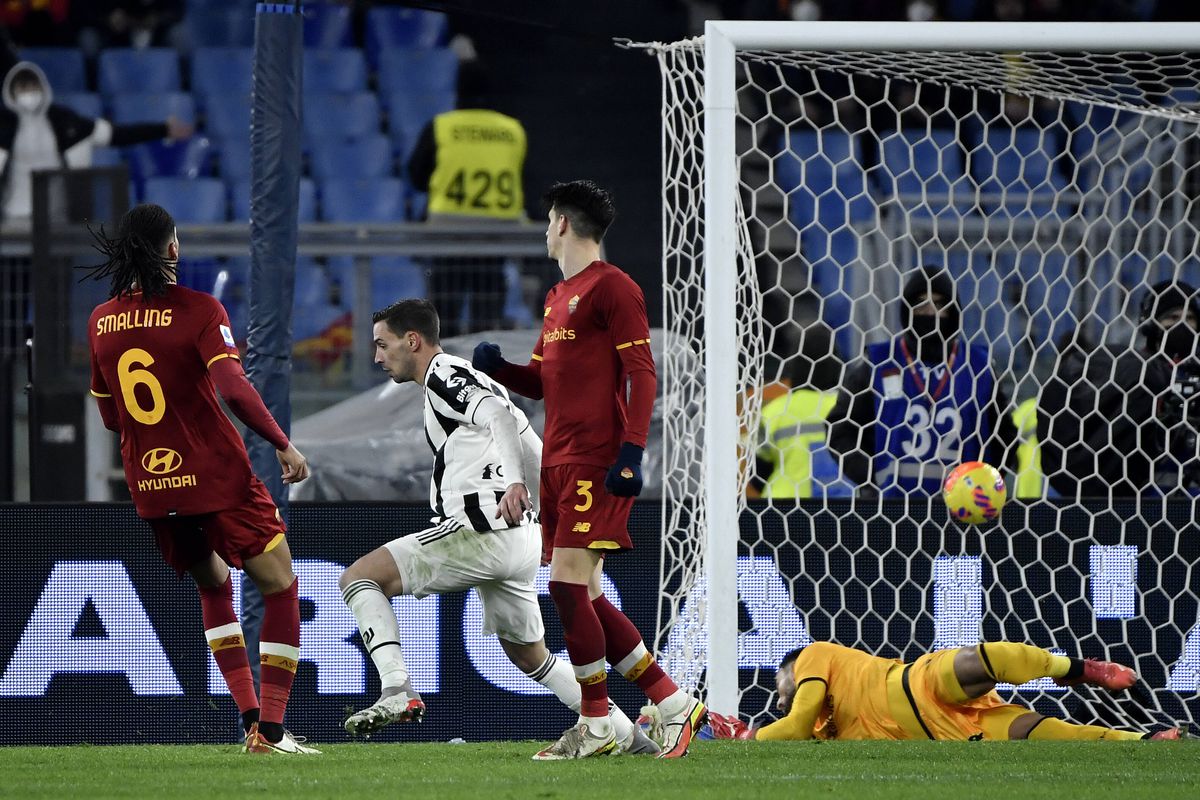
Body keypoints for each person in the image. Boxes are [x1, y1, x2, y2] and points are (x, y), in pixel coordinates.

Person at [338, 299, 658, 755]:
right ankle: (629, 736)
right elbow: (527, 437)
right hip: (519, 534)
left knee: (359, 577)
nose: (377, 357)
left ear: (412, 341)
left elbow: (501, 418)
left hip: (481, 528)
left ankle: (396, 689)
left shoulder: (445, 374)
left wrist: (513, 484)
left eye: (382, 344)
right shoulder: (467, 378)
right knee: (531, 656)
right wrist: (552, 515)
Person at [472, 180, 706, 759]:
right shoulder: (555, 297)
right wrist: (499, 368)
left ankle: (597, 722)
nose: (544, 230)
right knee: (588, 596)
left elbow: (642, 372)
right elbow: (541, 380)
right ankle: (674, 705)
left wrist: (632, 452)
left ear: (561, 225)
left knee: (565, 586)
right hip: (556, 458)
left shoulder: (614, 288)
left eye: (547, 221)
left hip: (596, 458)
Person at [85, 203, 317, 755]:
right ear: (172, 249)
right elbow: (235, 389)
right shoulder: (199, 310)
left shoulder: (100, 321)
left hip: (151, 483)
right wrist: (283, 444)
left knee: (213, 585)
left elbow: (110, 413)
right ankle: (274, 730)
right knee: (281, 585)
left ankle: (250, 722)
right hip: (215, 474)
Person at [706, 640, 1184, 741]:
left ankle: (1079, 668)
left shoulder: (813, 656)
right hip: (945, 734)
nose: (781, 697)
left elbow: (792, 723)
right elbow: (799, 731)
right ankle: (1145, 740)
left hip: (912, 683)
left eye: (780, 687)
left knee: (977, 661)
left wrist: (750, 739)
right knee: (1041, 735)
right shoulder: (822, 735)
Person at [827, 265, 1016, 496]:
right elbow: (840, 429)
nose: (930, 313)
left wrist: (985, 484)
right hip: (889, 511)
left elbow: (1005, 436)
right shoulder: (879, 363)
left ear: (953, 311)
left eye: (939, 305)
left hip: (963, 511)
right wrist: (870, 476)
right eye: (921, 304)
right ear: (907, 310)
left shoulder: (979, 367)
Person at [1039, 281, 1200, 497]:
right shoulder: (1129, 376)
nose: (1182, 325)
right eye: (1172, 318)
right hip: (1137, 504)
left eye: (1189, 318)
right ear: (1151, 325)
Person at [406, 62, 527, 337]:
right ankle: (481, 375)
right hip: (496, 236)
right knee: (486, 319)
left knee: (444, 316)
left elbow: (416, 176)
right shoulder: (513, 131)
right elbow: (522, 177)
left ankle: (443, 373)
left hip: (450, 234)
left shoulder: (442, 127)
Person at [0, 60, 193, 222]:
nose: (28, 94)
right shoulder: (3, 125)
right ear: (12, 91)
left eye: (33, 87)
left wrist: (163, 129)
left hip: (56, 218)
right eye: (23, 88)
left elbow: (117, 135)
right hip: (14, 214)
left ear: (43, 88)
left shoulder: (66, 121)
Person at [749, 323, 849, 499]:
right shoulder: (847, 407)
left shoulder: (774, 411)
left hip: (782, 510)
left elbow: (758, 476)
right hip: (843, 508)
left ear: (794, 366)